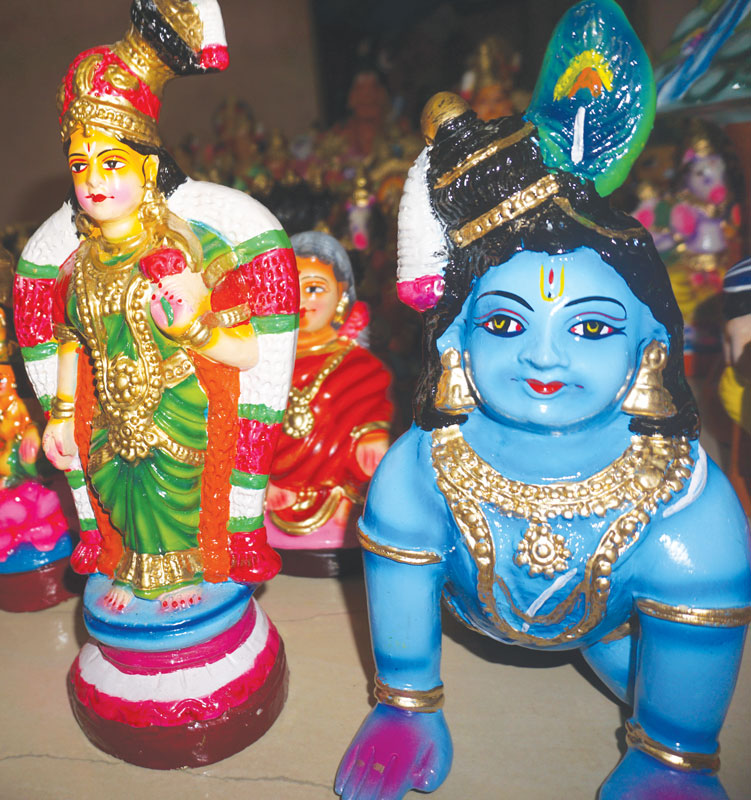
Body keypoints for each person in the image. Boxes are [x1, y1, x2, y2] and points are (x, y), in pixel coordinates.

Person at [335, 3, 751, 798]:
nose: (543, 354)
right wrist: (404, 704)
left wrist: (672, 754)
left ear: (650, 344)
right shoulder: (422, 467)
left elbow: (704, 601)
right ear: (456, 343)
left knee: (674, 647)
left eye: (590, 327)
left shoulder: (683, 496)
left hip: (610, 629)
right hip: (470, 625)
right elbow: (399, 581)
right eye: (503, 322)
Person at [17, 5, 298, 614]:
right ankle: (136, 567)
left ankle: (184, 569)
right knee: (118, 491)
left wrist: (196, 327)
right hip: (108, 414)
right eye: (81, 165)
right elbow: (71, 339)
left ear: (147, 169)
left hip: (176, 406)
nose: (94, 180)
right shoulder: (77, 264)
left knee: (169, 490)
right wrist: (62, 416)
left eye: (112, 163)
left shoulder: (190, 249)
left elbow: (249, 352)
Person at [266, 231, 392, 576]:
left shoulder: (361, 366)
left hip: (339, 490)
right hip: (275, 483)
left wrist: (370, 438)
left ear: (341, 294)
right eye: (292, 287)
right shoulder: (264, 359)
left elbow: (373, 413)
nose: (302, 300)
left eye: (315, 288)